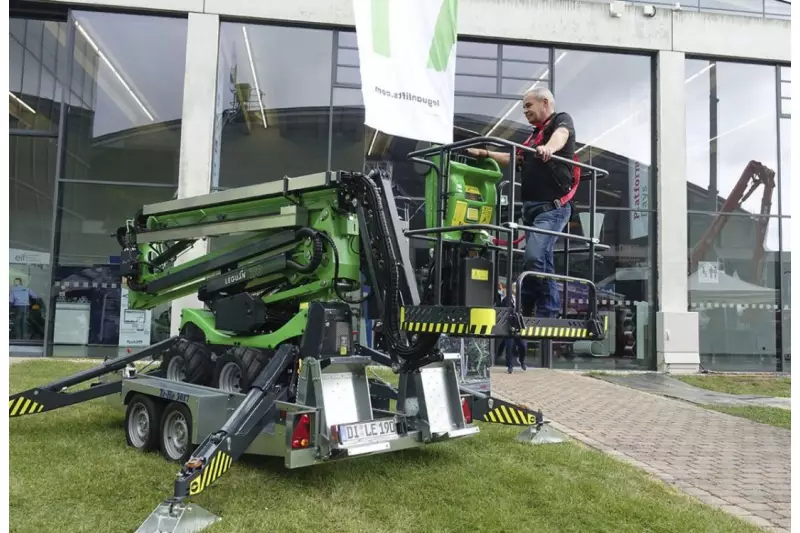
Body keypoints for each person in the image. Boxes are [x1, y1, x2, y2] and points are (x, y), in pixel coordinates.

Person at [468, 87, 576, 318]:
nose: (524, 110)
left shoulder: (561, 121)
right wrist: (485, 154)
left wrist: (549, 148)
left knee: (534, 257)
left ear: (545, 102)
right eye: (523, 107)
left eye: (528, 105)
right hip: (531, 210)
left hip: (552, 209)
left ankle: (529, 305)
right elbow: (513, 157)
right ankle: (547, 310)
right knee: (542, 261)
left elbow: (562, 136)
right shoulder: (532, 136)